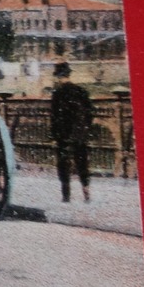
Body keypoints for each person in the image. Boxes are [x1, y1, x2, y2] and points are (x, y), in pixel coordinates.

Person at [50, 61, 95, 202]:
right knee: (82, 162)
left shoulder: (57, 93)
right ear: (69, 74)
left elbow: (54, 117)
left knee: (63, 163)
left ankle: (66, 195)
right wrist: (85, 128)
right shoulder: (82, 91)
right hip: (79, 134)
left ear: (58, 76)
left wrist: (54, 135)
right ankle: (86, 191)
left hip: (63, 135)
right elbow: (90, 112)